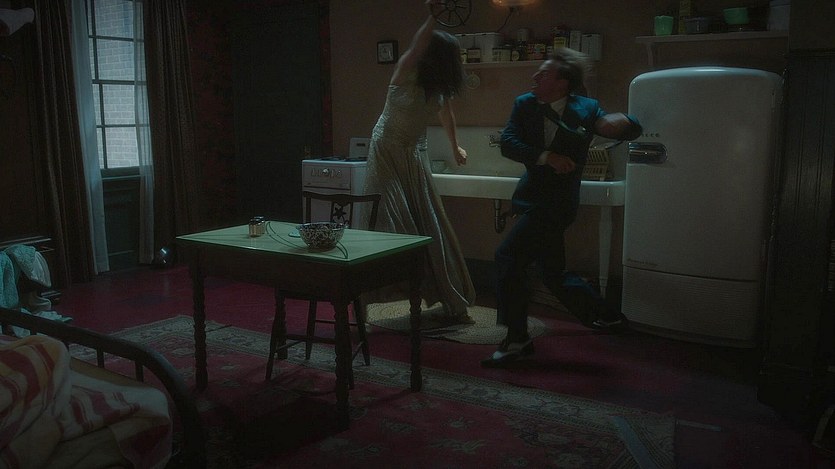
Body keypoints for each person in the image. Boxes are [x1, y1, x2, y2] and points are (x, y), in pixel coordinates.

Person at [481, 48, 643, 367]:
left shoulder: (587, 109)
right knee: (552, 273)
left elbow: (627, 128)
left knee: (508, 257)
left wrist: (623, 124)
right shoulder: (524, 104)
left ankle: (517, 340)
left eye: (543, 73)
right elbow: (509, 144)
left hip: (557, 205)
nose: (534, 77)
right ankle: (608, 316)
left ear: (562, 83)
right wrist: (547, 157)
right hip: (531, 199)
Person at [363, 1, 475, 324]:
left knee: (429, 223)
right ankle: (372, 294)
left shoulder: (437, 89)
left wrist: (455, 146)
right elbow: (417, 44)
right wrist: (434, 17)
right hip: (386, 151)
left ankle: (447, 295)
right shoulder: (405, 71)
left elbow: (447, 114)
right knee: (389, 220)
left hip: (413, 153)